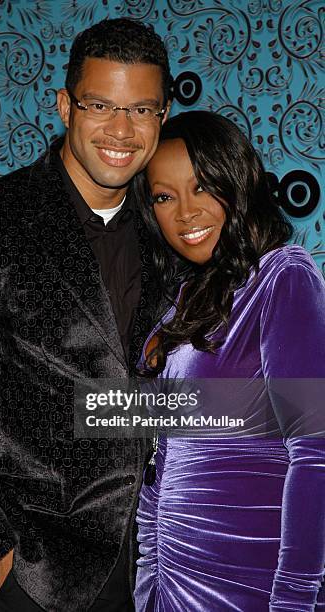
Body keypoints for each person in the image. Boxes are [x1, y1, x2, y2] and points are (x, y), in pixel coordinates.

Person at [0, 18, 172, 612]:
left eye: (141, 110)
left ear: (162, 117)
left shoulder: (174, 225)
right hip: (40, 571)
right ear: (64, 106)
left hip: (166, 559)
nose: (121, 130)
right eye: (100, 105)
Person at [133, 111, 325, 611]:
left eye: (202, 187)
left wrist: (295, 601)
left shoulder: (282, 277)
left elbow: (316, 454)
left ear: (236, 182)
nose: (185, 213)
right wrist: (148, 585)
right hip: (175, 586)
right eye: (163, 196)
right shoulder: (180, 303)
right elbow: (161, 466)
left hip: (252, 588)